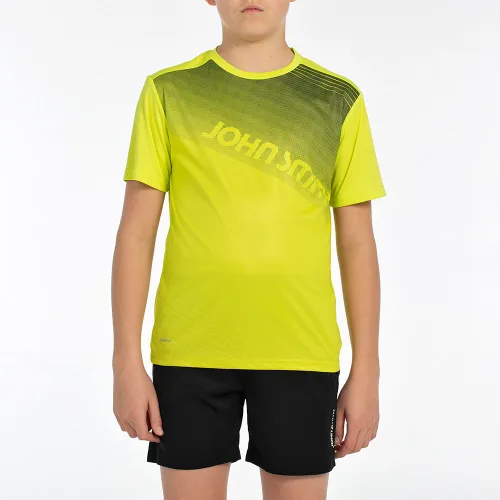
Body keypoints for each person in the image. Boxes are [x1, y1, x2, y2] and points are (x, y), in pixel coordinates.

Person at [111, 1, 386, 498]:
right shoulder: (169, 91)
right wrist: (125, 362)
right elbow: (135, 233)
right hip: (190, 350)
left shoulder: (337, 99)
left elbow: (357, 243)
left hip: (301, 352)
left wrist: (367, 370)